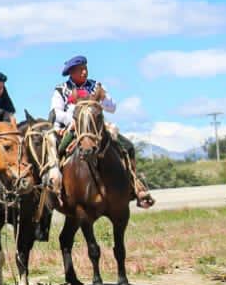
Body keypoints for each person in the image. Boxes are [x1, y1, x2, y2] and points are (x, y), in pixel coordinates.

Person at [49, 56, 153, 208]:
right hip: (73, 128)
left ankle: (135, 185)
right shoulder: (61, 89)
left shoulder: (96, 86)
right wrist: (72, 122)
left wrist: (104, 99)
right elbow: (55, 112)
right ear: (71, 72)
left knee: (128, 146)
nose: (84, 72)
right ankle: (55, 190)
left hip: (95, 129)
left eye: (85, 68)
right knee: (59, 150)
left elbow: (112, 107)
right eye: (80, 70)